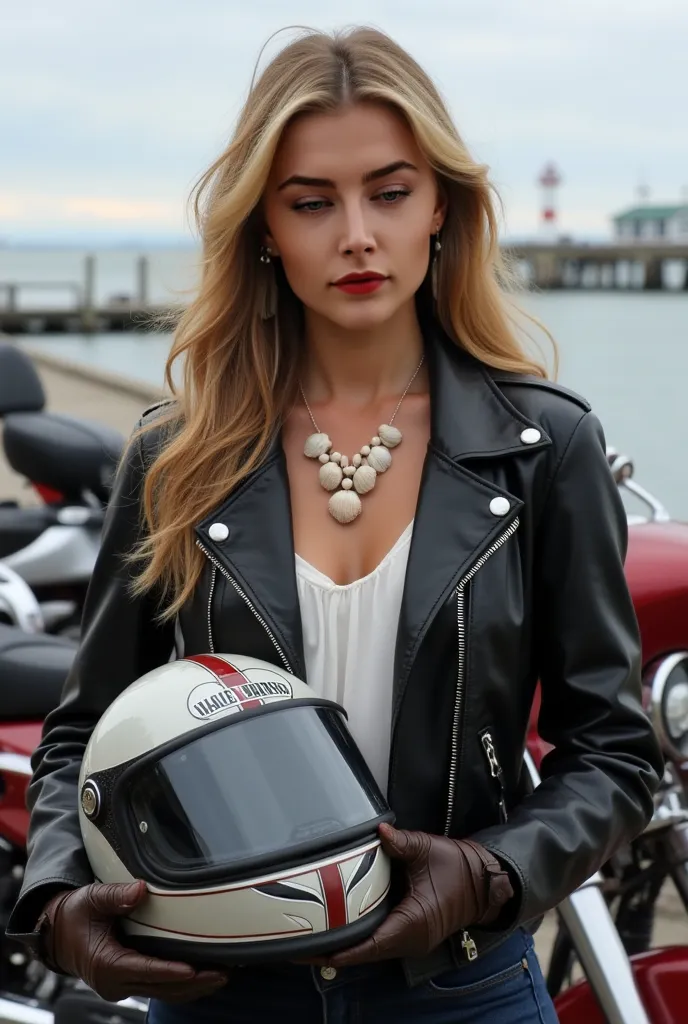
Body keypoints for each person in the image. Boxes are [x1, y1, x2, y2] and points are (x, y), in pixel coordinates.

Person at [8, 25, 662, 1024]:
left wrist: (485, 875)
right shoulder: (174, 457)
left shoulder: (546, 449)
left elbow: (612, 749)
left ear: (440, 204)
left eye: (389, 192)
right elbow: (82, 731)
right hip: (217, 994)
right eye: (312, 202)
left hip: (462, 988)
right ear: (265, 225)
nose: (356, 232)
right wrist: (56, 900)